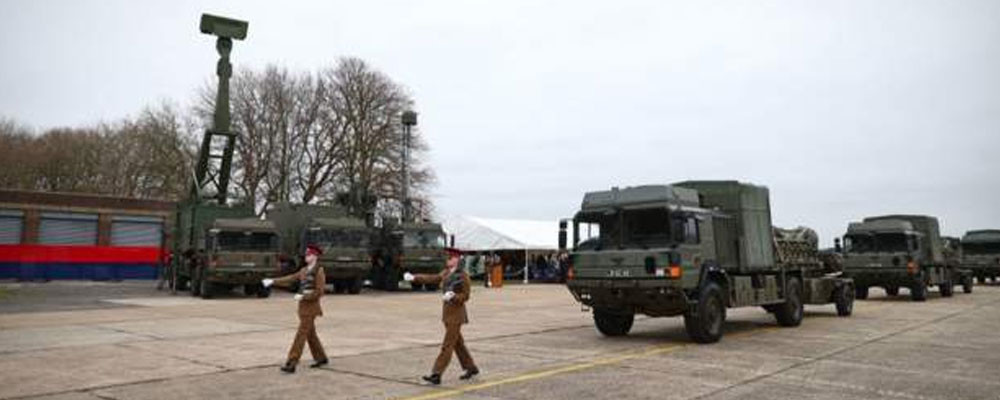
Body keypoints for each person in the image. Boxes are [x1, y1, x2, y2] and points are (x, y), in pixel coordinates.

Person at [404, 247, 479, 385]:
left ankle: (436, 374)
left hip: (457, 316)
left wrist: (454, 296)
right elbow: (432, 278)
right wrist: (415, 277)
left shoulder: (463, 275)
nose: (448, 260)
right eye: (447, 257)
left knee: (447, 346)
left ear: (457, 259)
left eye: (450, 257)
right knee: (458, 344)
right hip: (447, 315)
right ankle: (471, 368)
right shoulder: (446, 272)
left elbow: (466, 295)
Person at [262, 244, 328, 373]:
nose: (306, 257)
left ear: (315, 256)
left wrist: (304, 296)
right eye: (306, 254)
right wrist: (273, 281)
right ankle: (321, 358)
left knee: (301, 335)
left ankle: (292, 362)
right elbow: (290, 278)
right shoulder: (304, 270)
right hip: (302, 308)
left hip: (311, 308)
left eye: (309, 255)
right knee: (310, 334)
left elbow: (320, 291)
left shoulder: (319, 271)